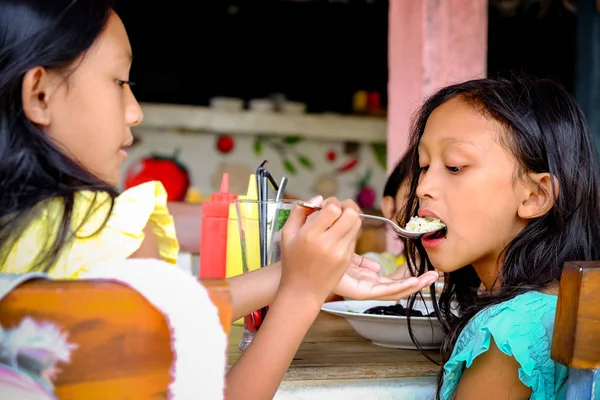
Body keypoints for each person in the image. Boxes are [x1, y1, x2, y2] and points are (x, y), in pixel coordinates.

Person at [0, 1, 438, 399]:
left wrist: (292, 274)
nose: (135, 111)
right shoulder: (115, 233)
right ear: (40, 94)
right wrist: (301, 293)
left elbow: (162, 308)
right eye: (119, 82)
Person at [400, 76, 600, 399]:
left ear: (535, 196)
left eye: (454, 167)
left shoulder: (509, 335)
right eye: (424, 166)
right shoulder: (557, 303)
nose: (423, 187)